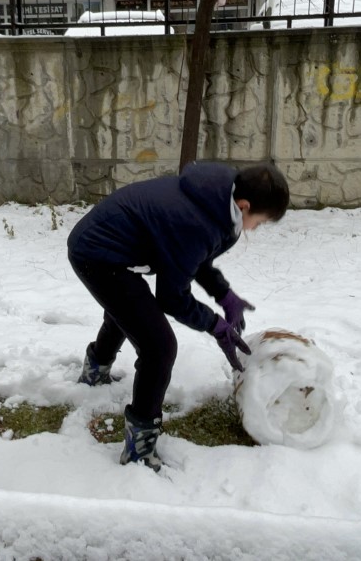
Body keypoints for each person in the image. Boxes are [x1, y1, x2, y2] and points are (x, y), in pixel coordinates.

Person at [67, 161, 290, 471]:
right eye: (261, 222)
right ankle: (139, 447)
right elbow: (172, 297)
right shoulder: (198, 219)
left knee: (130, 309)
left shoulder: (215, 199)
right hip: (96, 254)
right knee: (159, 346)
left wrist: (223, 294)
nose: (256, 228)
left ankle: (95, 372)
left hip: (113, 247)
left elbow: (194, 258)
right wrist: (214, 324)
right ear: (245, 205)